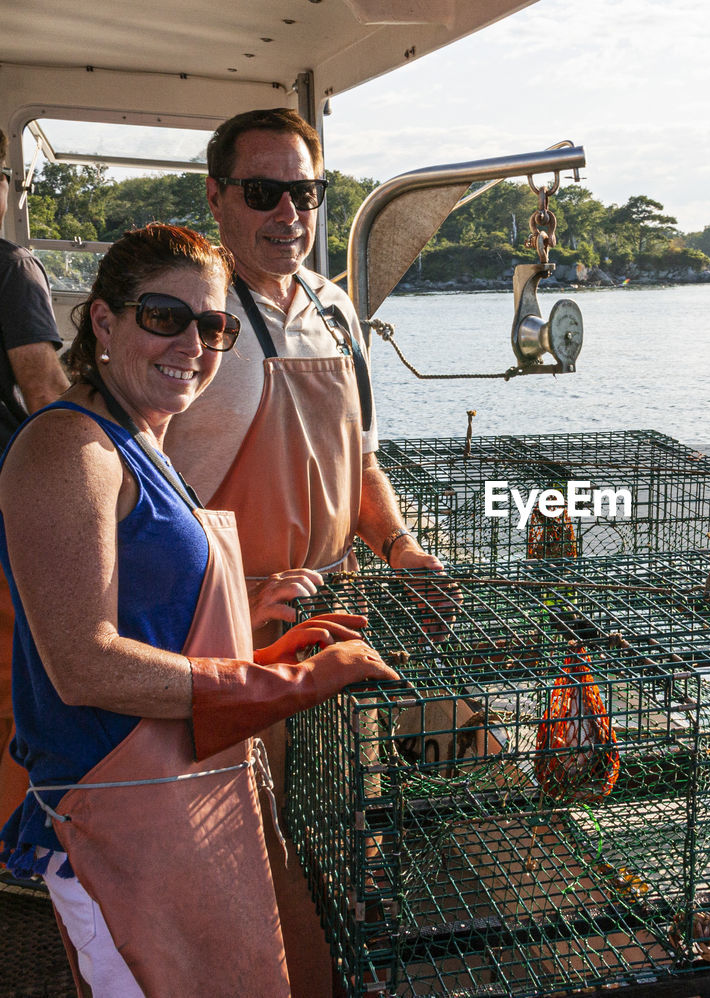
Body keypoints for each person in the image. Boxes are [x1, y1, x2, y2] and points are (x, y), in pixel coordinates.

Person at [0, 223, 398, 996]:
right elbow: (85, 665)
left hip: (175, 803)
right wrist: (288, 688)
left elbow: (147, 619)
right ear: (104, 323)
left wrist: (265, 641)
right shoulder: (68, 452)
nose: (194, 342)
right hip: (112, 820)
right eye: (163, 316)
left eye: (215, 325)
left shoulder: (142, 440)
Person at [163, 106, 451, 997]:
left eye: (307, 191)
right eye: (263, 191)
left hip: (334, 612)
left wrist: (400, 545)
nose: (289, 212)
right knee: (246, 844)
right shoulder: (192, 324)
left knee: (340, 828)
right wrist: (228, 600)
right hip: (231, 630)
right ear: (218, 198)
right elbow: (140, 486)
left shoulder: (334, 309)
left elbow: (358, 454)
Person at [0, 130, 72, 826]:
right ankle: (14, 842)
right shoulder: (11, 266)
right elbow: (45, 391)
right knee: (11, 685)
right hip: (3, 509)